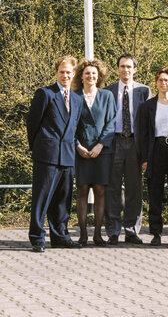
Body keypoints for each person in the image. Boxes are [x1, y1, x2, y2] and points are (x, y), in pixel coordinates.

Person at [27, 56, 83, 252]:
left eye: (68, 72)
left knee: (63, 199)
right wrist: (38, 148)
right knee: (42, 198)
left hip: (67, 155)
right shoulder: (45, 94)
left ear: (74, 74)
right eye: (62, 72)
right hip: (47, 154)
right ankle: (37, 238)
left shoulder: (77, 98)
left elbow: (74, 128)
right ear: (56, 73)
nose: (65, 75)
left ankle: (60, 236)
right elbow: (32, 124)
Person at [104, 54, 151, 245]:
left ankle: (132, 229)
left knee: (134, 188)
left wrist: (146, 151)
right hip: (114, 142)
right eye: (122, 66)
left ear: (135, 69)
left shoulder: (144, 91)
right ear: (117, 69)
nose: (126, 70)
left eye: (129, 67)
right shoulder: (107, 91)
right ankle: (113, 231)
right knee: (112, 188)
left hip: (134, 142)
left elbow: (148, 123)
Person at [137, 68, 168, 247]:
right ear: (156, 83)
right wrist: (144, 158)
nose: (163, 83)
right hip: (155, 149)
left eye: (166, 80)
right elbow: (143, 134)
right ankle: (156, 232)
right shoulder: (147, 106)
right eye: (160, 80)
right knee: (155, 192)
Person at [72, 59, 116, 247]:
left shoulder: (107, 96)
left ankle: (98, 234)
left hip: (102, 151)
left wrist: (100, 145)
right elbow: (68, 126)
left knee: (100, 190)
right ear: (81, 76)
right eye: (87, 73)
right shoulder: (74, 96)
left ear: (99, 77)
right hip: (80, 150)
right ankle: (82, 235)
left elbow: (112, 122)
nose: (91, 76)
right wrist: (77, 146)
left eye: (94, 73)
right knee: (82, 190)